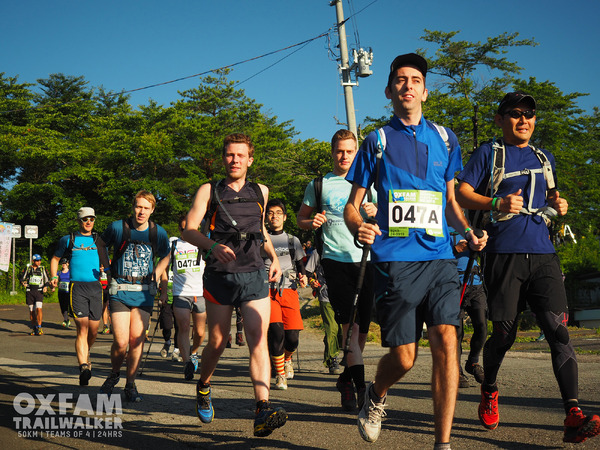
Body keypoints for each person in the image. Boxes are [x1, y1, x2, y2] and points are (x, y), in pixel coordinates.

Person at [344, 53, 487, 447]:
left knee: (446, 341)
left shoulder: (445, 138)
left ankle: (443, 443)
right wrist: (361, 227)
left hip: (440, 257)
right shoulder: (378, 141)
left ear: (425, 90)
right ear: (390, 91)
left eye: (415, 80)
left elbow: (449, 201)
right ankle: (375, 396)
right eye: (400, 80)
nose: (408, 85)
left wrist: (467, 232)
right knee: (404, 358)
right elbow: (351, 207)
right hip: (395, 259)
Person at [456, 91, 600, 444]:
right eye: (516, 114)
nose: (524, 120)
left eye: (530, 114)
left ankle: (572, 413)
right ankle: (489, 387)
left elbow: (550, 198)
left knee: (559, 332)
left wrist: (559, 205)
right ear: (500, 119)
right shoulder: (489, 153)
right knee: (504, 334)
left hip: (543, 253)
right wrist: (495, 201)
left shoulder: (543, 157)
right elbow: (461, 194)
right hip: (503, 254)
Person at [182, 133, 287, 437]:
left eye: (241, 155)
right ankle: (203, 386)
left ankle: (262, 407)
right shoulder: (209, 190)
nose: (235, 160)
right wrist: (212, 246)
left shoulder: (261, 191)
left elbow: (261, 230)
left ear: (250, 159)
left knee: (257, 337)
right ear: (223, 157)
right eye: (230, 155)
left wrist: (274, 257)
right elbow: (189, 229)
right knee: (218, 341)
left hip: (254, 273)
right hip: (220, 275)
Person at [297, 129, 377, 412]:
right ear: (332, 153)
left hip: (367, 261)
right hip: (334, 262)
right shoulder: (319, 185)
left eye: (349, 151)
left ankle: (346, 378)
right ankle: (360, 390)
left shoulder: (368, 182)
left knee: (362, 331)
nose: (344, 156)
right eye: (339, 151)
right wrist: (312, 222)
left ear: (356, 153)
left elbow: (383, 215)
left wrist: (374, 209)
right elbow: (301, 218)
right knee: (350, 329)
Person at [96, 191, 170, 402]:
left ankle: (130, 384)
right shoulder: (118, 227)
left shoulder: (158, 232)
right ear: (133, 207)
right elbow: (101, 243)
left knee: (136, 342)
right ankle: (113, 375)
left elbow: (166, 254)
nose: (142, 211)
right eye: (139, 207)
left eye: (146, 208)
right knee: (120, 342)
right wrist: (108, 269)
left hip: (144, 294)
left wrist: (156, 274)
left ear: (152, 210)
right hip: (120, 290)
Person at [50, 207, 103, 386]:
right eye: (85, 219)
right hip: (77, 288)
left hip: (96, 287)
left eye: (91, 219)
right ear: (79, 221)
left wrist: (105, 268)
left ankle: (86, 354)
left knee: (94, 330)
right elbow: (55, 259)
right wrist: (53, 277)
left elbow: (107, 261)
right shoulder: (68, 239)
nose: (89, 222)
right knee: (82, 328)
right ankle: (83, 366)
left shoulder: (99, 240)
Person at [155, 215, 207, 381]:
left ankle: (193, 352)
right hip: (180, 292)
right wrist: (160, 288)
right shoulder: (174, 244)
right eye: (183, 229)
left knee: (199, 332)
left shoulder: (203, 243)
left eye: (191, 229)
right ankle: (187, 364)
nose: (187, 232)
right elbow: (163, 265)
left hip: (200, 293)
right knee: (183, 326)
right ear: (179, 230)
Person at [263, 198, 307, 390]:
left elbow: (300, 264)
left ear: (285, 217)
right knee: (276, 332)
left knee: (292, 337)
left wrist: (304, 276)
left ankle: (286, 359)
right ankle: (280, 375)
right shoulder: (261, 239)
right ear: (266, 218)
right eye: (271, 213)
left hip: (289, 290)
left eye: (278, 213)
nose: (275, 216)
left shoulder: (292, 240)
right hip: (267, 291)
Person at [450, 231, 487, 387]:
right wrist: (455, 249)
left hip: (476, 284)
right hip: (454, 285)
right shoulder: (442, 226)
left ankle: (472, 363)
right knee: (457, 332)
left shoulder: (472, 229)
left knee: (482, 327)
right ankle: (455, 370)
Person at [305, 249, 343, 375]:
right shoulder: (319, 250)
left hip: (344, 296)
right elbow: (308, 272)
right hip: (326, 296)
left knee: (341, 330)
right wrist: (312, 282)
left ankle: (339, 352)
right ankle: (332, 359)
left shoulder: (346, 246)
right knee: (332, 328)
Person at [21, 254, 51, 336]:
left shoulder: (42, 269)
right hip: (30, 291)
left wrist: (46, 286)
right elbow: (22, 278)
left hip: (39, 291)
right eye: (37, 261)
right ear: (33, 261)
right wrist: (23, 282)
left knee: (39, 309)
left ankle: (40, 326)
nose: (39, 262)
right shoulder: (28, 268)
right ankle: (34, 328)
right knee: (31, 311)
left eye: (40, 260)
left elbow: (47, 279)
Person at [56, 258, 71, 328]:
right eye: (62, 263)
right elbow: (55, 279)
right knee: (62, 307)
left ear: (67, 264)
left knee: (67, 306)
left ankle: (65, 320)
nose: (63, 265)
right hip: (61, 291)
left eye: (65, 263)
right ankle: (66, 319)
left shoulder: (70, 272)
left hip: (68, 292)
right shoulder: (59, 272)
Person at [100, 265, 111, 334]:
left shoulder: (109, 266)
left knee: (109, 308)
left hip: (109, 289)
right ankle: (105, 325)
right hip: (102, 290)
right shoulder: (97, 270)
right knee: (104, 307)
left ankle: (112, 325)